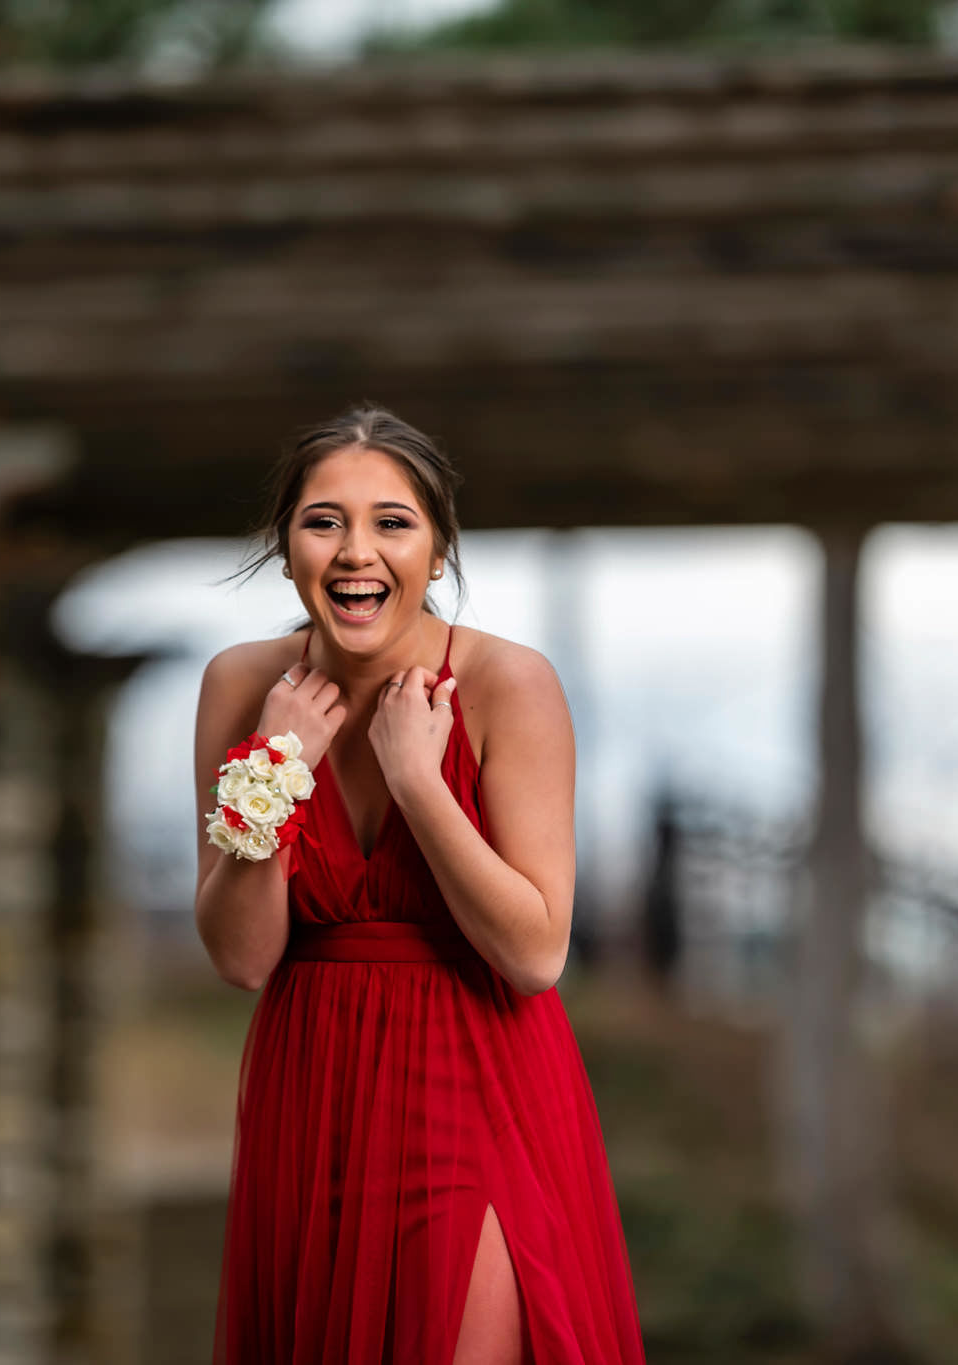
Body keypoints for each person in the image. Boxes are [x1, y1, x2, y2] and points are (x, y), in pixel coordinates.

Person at [194, 407, 646, 1365]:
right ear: (287, 548)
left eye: (392, 521)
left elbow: (536, 951)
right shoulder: (241, 686)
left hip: (476, 1084)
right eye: (325, 520)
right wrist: (277, 766)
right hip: (308, 1093)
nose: (357, 550)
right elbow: (242, 958)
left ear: (436, 549)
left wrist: (418, 784)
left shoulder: (508, 684)